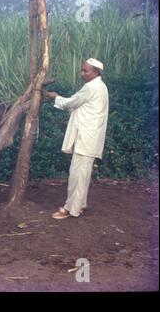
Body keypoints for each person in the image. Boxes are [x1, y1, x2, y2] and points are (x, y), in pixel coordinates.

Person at [45, 58, 109, 219]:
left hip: (86, 138)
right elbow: (79, 106)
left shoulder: (91, 87)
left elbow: (71, 102)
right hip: (89, 137)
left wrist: (55, 97)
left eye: (85, 70)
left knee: (77, 174)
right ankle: (79, 204)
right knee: (82, 174)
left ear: (95, 72)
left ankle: (71, 209)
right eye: (82, 70)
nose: (82, 73)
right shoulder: (100, 87)